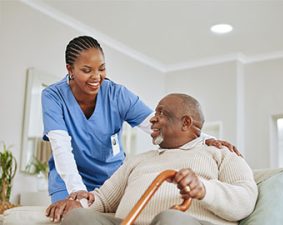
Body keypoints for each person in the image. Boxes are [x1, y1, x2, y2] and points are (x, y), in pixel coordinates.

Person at [42, 35, 240, 203]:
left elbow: (157, 124)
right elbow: (61, 147)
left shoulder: (117, 95)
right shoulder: (53, 97)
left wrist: (204, 138)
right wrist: (77, 190)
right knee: (72, 217)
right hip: (68, 181)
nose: (97, 77)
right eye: (87, 70)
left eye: (101, 68)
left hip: (110, 181)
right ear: (70, 69)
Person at [46, 93, 257, 225]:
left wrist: (204, 189)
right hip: (128, 222)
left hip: (185, 222)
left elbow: (246, 199)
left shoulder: (220, 153)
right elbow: (102, 199)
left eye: (162, 113)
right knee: (78, 218)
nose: (153, 118)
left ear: (185, 123)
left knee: (171, 219)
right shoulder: (139, 160)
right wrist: (77, 205)